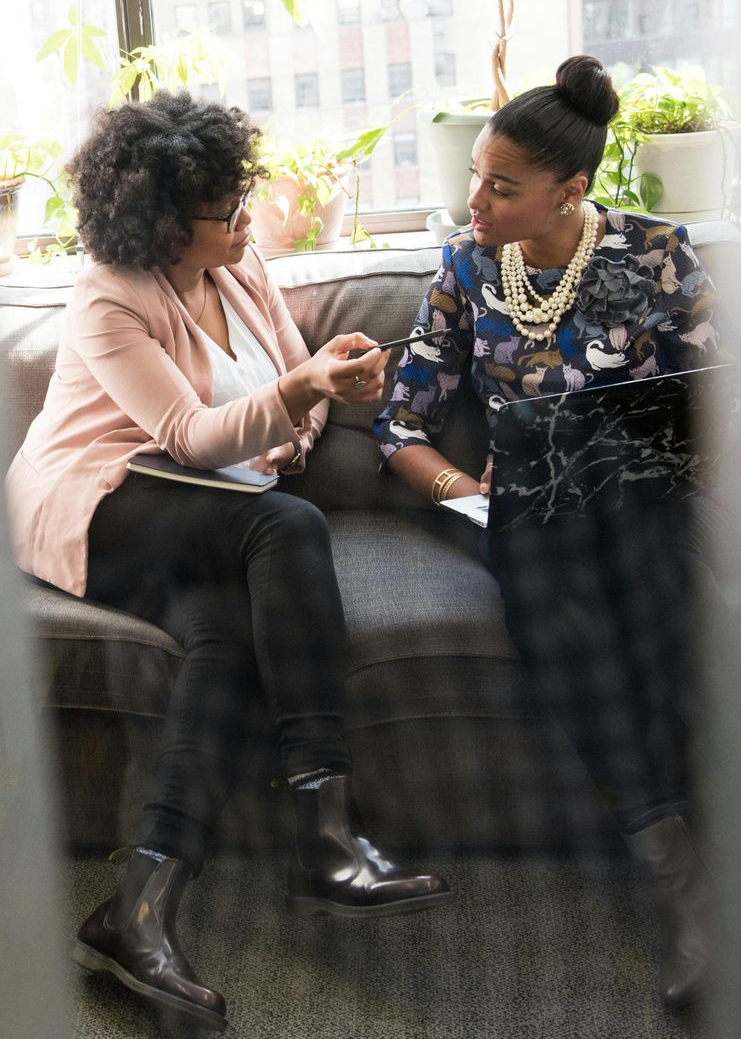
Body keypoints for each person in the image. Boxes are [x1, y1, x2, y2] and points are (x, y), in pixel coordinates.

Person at [5, 90, 451, 1033]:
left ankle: (137, 908)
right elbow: (187, 433)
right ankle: (326, 836)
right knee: (285, 528)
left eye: (242, 194)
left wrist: (313, 401)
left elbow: (297, 389)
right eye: (226, 207)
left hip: (202, 507)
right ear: (167, 224)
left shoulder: (243, 272)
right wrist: (293, 401)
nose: (248, 216)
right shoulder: (108, 297)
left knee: (232, 634)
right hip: (99, 496)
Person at [374, 55, 737, 1011]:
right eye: (474, 178)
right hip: (526, 515)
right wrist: (468, 488)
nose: (477, 200)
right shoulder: (463, 266)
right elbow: (401, 425)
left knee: (663, 598)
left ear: (571, 190)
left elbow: (707, 407)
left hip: (643, 505)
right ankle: (681, 883)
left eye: (502, 185)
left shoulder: (655, 252)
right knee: (555, 608)